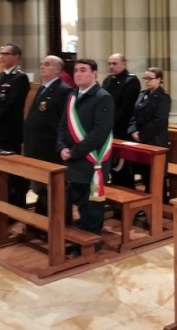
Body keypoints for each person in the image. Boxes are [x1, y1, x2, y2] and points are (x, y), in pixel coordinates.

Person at [56, 58, 114, 251]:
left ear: (94, 73)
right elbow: (63, 124)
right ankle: (82, 240)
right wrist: (61, 146)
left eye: (83, 70)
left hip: (92, 160)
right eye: (76, 71)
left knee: (93, 205)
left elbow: (99, 132)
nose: (78, 74)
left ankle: (92, 243)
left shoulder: (102, 97)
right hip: (73, 159)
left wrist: (73, 152)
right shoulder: (72, 95)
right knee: (80, 201)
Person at [23, 55, 72, 214]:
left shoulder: (63, 90)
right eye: (41, 64)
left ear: (57, 70)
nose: (42, 67)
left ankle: (58, 224)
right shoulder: (43, 88)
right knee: (40, 188)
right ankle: (42, 222)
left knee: (53, 190)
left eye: (47, 64)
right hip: (35, 147)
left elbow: (63, 122)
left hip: (49, 149)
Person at [0, 43, 30, 207]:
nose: (1, 57)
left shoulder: (20, 78)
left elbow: (11, 105)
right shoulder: (1, 76)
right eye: (0, 53)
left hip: (10, 131)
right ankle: (4, 203)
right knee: (0, 169)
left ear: (16, 57)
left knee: (12, 171)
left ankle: (17, 205)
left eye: (6, 54)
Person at [127, 67, 171, 201]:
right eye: (145, 78)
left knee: (156, 176)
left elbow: (159, 121)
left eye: (150, 78)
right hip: (141, 139)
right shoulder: (142, 94)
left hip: (155, 140)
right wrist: (133, 131)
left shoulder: (163, 97)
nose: (146, 81)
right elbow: (134, 115)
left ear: (159, 80)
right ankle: (147, 202)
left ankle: (160, 203)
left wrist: (142, 134)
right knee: (145, 174)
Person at [102, 53, 141, 187]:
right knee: (111, 166)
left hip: (121, 130)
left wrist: (107, 122)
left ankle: (127, 201)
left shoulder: (131, 81)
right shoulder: (107, 80)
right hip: (108, 130)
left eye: (115, 64)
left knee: (122, 169)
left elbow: (125, 109)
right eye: (109, 63)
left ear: (124, 64)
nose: (111, 66)